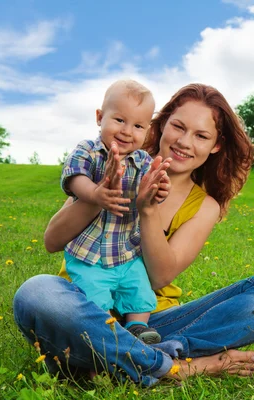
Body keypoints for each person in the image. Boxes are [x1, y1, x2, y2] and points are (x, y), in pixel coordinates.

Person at [13, 83, 254, 386]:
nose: (184, 142)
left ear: (216, 145)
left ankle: (112, 361)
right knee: (37, 292)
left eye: (201, 136)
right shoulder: (112, 161)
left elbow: (159, 278)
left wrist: (147, 211)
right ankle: (176, 367)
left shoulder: (204, 206)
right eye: (178, 126)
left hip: (152, 323)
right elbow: (52, 241)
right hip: (84, 313)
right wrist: (102, 195)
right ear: (162, 124)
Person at [60, 79, 167, 344]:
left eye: (138, 125)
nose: (127, 131)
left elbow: (149, 188)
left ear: (147, 130)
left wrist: (158, 190)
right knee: (93, 296)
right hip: (90, 255)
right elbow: (74, 177)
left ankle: (138, 329)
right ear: (100, 117)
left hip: (127, 253)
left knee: (139, 291)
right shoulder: (89, 150)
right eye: (120, 120)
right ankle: (107, 333)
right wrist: (95, 193)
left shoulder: (142, 160)